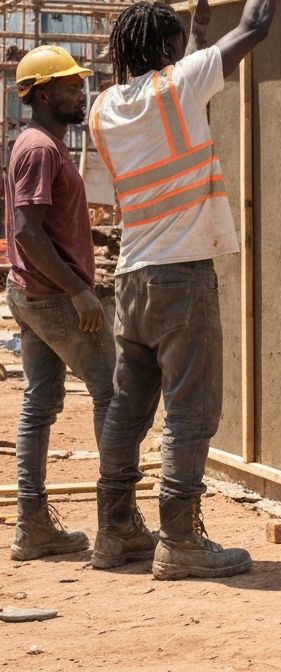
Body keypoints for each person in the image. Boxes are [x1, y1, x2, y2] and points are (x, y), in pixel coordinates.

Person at [89, 0, 281, 579]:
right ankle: (180, 541)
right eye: (176, 43)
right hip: (181, 279)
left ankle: (115, 533)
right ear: (166, 50)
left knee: (128, 411)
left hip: (132, 279)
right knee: (191, 413)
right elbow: (255, 24)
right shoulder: (179, 87)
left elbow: (195, 53)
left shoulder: (105, 108)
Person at [4, 46, 130, 561]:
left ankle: (31, 525)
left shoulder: (39, 144)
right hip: (57, 298)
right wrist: (79, 291)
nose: (82, 95)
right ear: (41, 94)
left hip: (31, 293)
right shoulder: (41, 149)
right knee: (113, 395)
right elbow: (26, 230)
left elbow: (45, 224)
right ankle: (118, 525)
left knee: (39, 403)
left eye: (81, 86)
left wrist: (91, 238)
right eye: (70, 88)